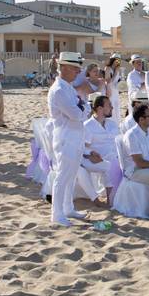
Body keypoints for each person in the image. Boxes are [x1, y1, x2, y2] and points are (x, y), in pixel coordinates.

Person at [47, 52, 88, 225]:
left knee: (71, 175)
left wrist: (83, 107)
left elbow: (83, 107)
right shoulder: (58, 90)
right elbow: (77, 114)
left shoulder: (68, 87)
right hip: (65, 137)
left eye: (78, 69)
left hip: (76, 136)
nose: (77, 72)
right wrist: (83, 108)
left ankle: (68, 208)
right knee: (62, 176)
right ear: (63, 67)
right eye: (74, 68)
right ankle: (56, 214)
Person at [80, 93, 121, 206]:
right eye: (109, 105)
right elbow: (81, 147)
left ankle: (122, 199)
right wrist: (90, 154)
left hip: (114, 157)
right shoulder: (88, 126)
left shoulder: (112, 124)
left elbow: (120, 142)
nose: (112, 108)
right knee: (110, 167)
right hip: (94, 159)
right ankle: (110, 201)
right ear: (99, 108)